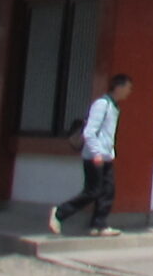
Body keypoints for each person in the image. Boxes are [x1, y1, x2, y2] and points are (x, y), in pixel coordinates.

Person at [47, 74, 132, 237]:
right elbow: (89, 132)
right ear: (119, 87)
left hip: (106, 156)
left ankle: (98, 225)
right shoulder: (102, 104)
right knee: (92, 191)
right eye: (128, 87)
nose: (129, 91)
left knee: (108, 191)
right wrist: (96, 153)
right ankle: (59, 213)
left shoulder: (114, 106)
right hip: (95, 156)